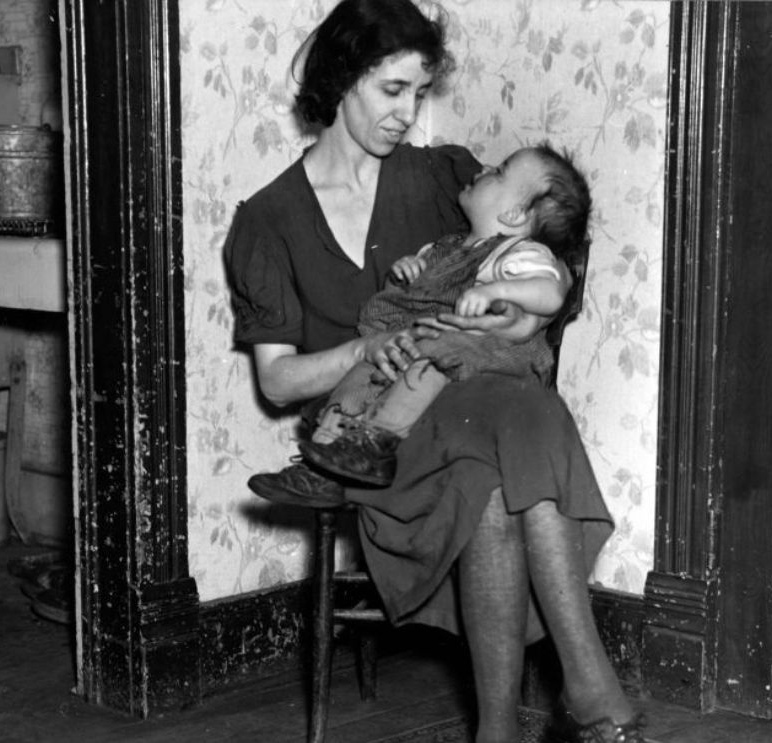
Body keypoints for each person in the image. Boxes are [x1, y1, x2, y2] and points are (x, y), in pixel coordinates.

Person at [222, 2, 645, 741]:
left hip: (479, 397)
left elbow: (533, 247)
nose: (407, 113)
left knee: (509, 419)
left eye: (418, 92)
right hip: (376, 431)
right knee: (501, 454)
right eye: (392, 90)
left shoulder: (441, 173)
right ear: (341, 80)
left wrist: (522, 317)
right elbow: (280, 382)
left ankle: (507, 728)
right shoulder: (269, 219)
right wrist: (363, 349)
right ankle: (585, 691)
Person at [249, 142, 589, 495]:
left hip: (479, 355)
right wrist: (404, 273)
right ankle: (324, 456)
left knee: (430, 358)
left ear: (516, 215)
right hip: (423, 339)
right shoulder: (447, 247)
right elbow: (411, 299)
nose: (486, 169)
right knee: (368, 367)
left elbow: (550, 293)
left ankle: (380, 440)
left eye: (500, 171)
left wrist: (495, 292)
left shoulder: (517, 252)